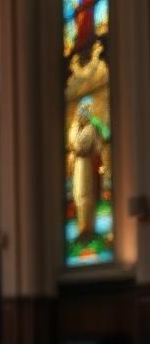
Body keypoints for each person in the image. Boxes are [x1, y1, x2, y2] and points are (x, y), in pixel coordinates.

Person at [68, 99, 107, 240]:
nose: (81, 115)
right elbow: (73, 143)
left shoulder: (90, 129)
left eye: (85, 112)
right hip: (78, 166)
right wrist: (74, 128)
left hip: (87, 165)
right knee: (78, 195)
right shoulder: (76, 128)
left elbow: (80, 147)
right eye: (80, 112)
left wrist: (74, 133)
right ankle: (81, 228)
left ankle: (88, 229)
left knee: (87, 196)